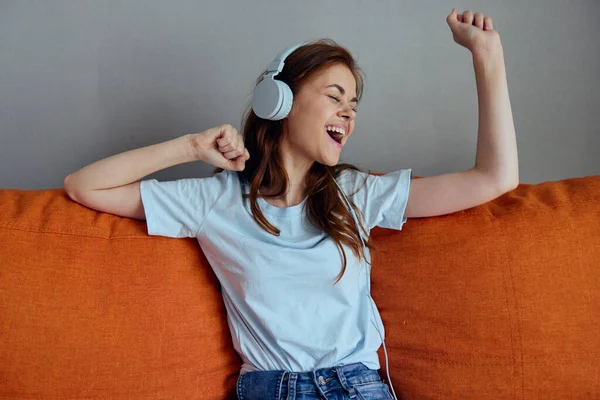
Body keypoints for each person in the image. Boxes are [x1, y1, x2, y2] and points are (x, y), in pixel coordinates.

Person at [64, 8, 518, 400]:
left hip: (357, 386)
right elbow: (84, 186)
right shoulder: (214, 200)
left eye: (354, 105)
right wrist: (189, 147)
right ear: (278, 101)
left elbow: (495, 179)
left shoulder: (357, 193)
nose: (349, 113)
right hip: (271, 387)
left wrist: (487, 56)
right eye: (334, 97)